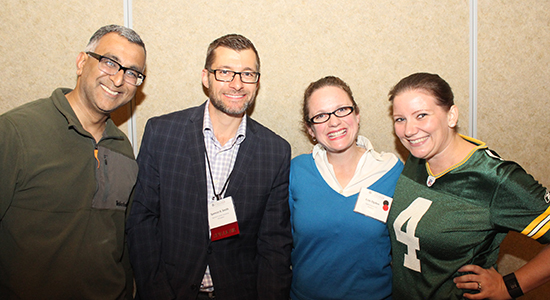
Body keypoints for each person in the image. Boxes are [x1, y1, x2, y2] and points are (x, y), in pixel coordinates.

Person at [126, 33, 292, 300]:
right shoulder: (162, 133)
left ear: (257, 82)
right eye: (225, 72)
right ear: (206, 77)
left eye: (247, 74)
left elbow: (274, 245)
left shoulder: (275, 151)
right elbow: (141, 220)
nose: (237, 84)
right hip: (169, 290)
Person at [0, 24, 146, 299]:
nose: (118, 80)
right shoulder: (16, 132)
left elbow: (120, 243)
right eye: (110, 63)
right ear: (82, 62)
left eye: (132, 73)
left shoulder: (123, 150)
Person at [387, 72, 550, 299]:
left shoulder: (495, 178)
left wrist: (509, 286)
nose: (409, 130)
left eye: (421, 115)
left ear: (451, 115)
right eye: (400, 119)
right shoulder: (417, 158)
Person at [289, 76, 404, 300]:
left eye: (342, 110)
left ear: (357, 115)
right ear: (310, 129)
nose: (334, 122)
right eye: (321, 116)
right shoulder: (296, 171)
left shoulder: (392, 171)